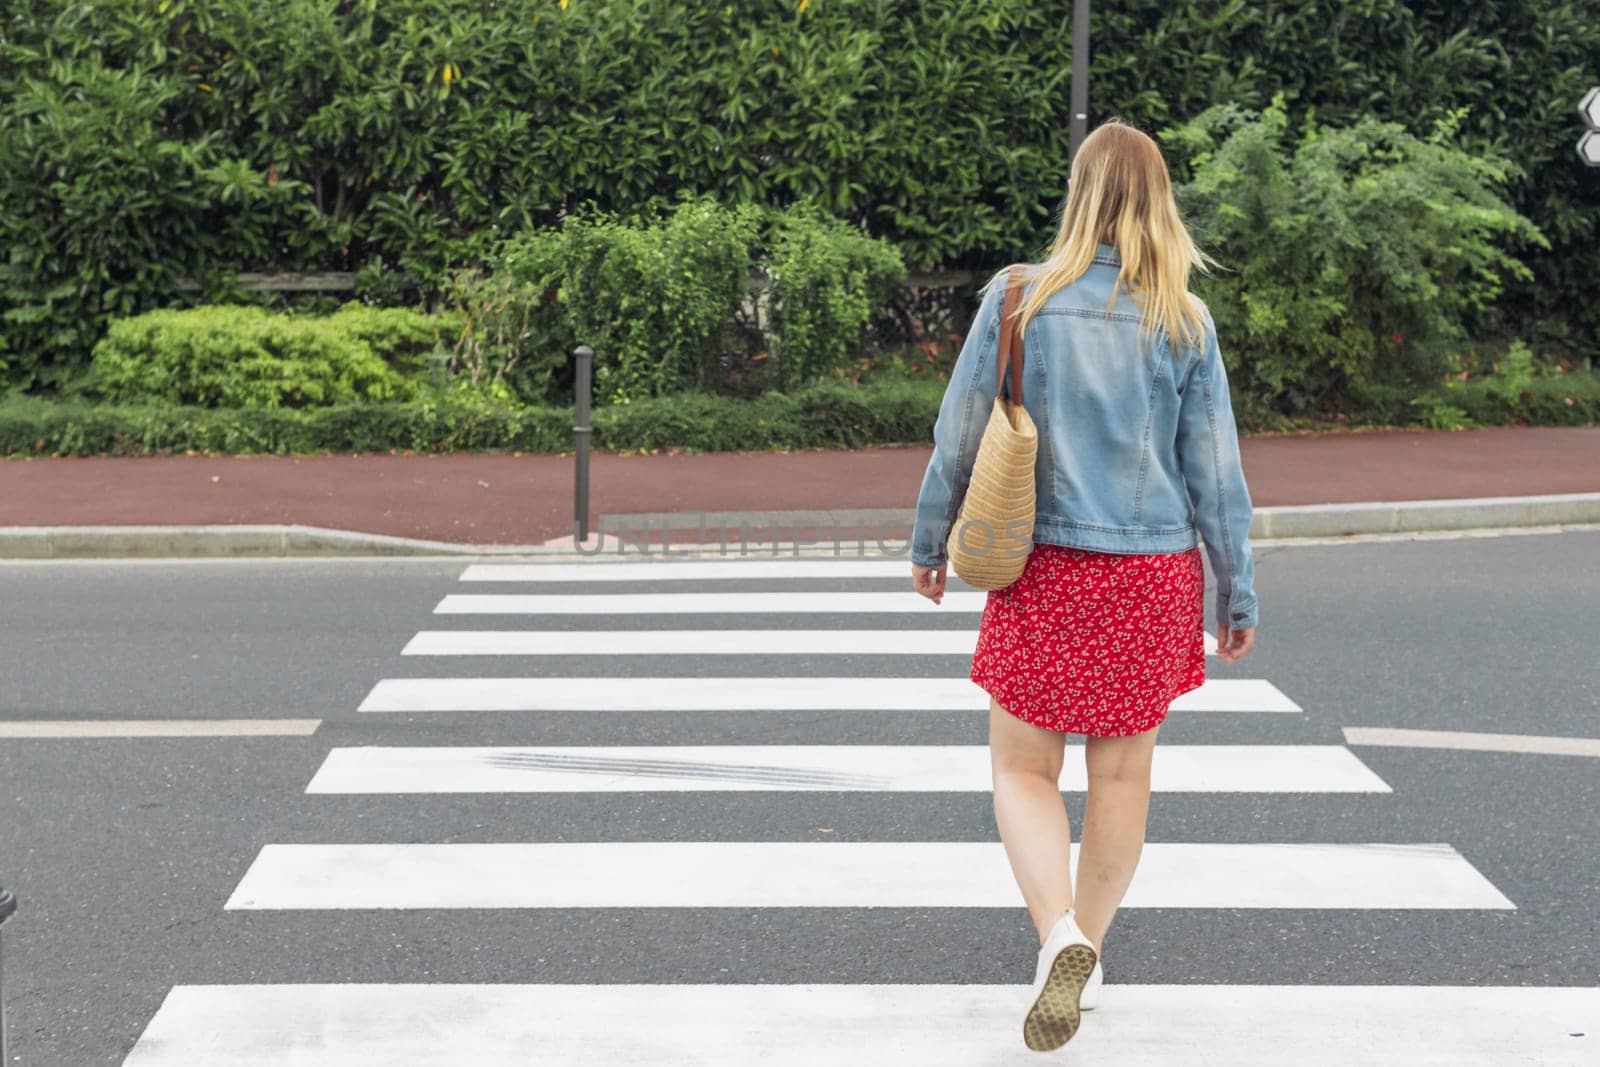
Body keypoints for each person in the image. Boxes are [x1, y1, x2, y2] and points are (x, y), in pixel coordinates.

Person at [908, 120, 1259, 1052]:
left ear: (1079, 195)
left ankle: (1054, 931)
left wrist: (930, 538)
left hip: (1045, 566)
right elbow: (1215, 471)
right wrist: (1236, 591)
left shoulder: (1019, 298)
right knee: (1122, 775)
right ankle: (1086, 953)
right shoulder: (1183, 318)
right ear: (1159, 203)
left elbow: (960, 429)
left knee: (1024, 768)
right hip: (1149, 574)